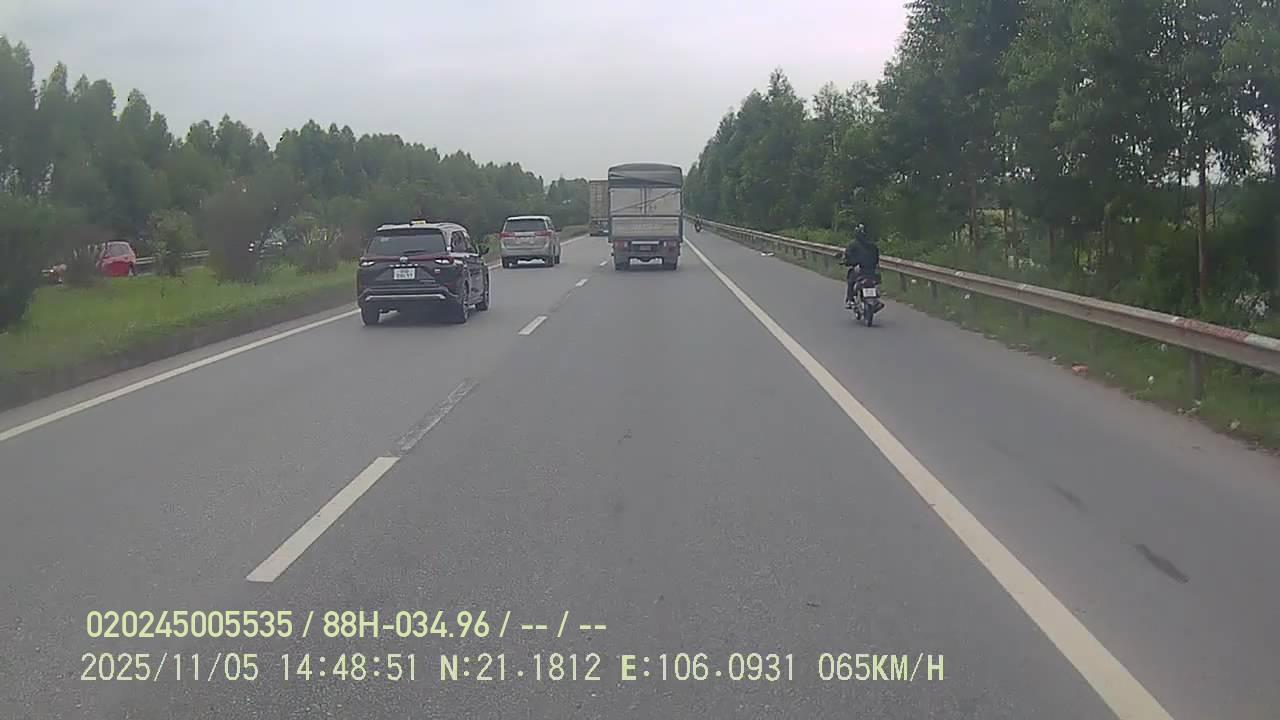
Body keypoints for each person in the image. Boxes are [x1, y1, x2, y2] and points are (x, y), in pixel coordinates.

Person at [843, 223, 880, 307]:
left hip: (861, 270)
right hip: (871, 271)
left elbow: (847, 256)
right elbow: (877, 258)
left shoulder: (853, 244)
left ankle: (850, 299)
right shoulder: (873, 245)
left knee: (851, 280)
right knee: (875, 281)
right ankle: (874, 299)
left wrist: (847, 262)